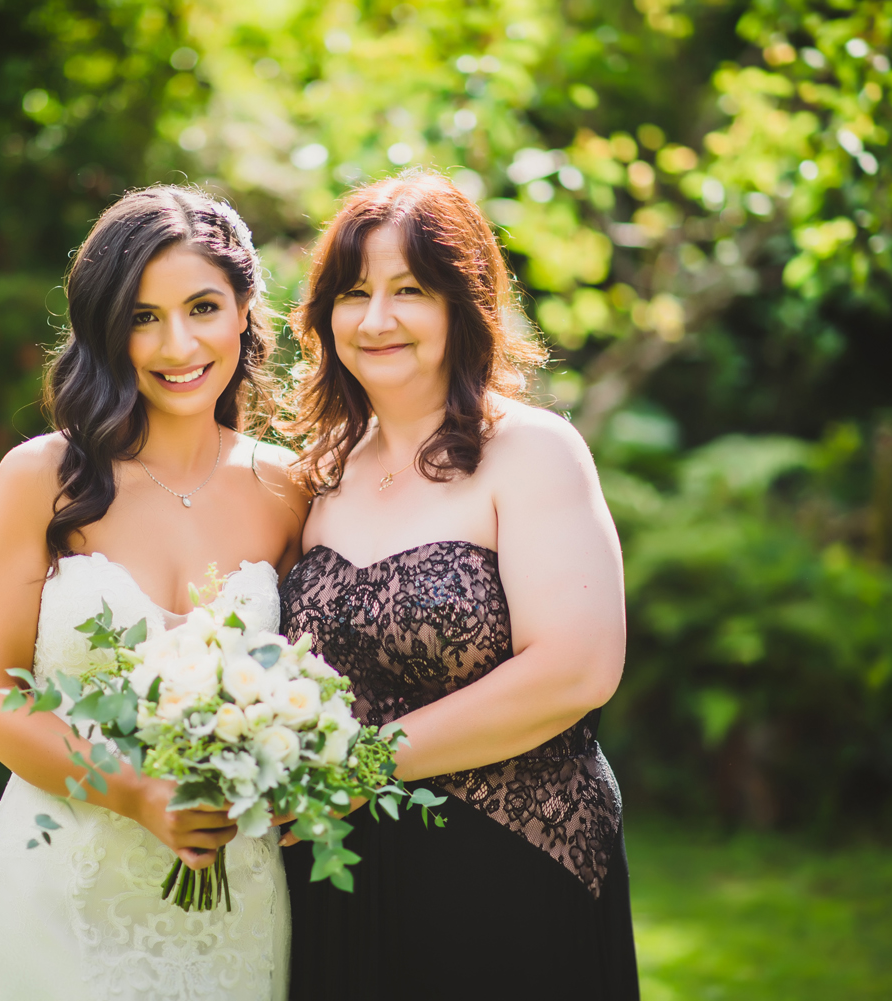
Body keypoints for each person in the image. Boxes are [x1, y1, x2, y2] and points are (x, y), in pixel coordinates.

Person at [279, 171, 640, 1000]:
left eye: (409, 290)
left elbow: (578, 670)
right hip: (345, 875)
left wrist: (364, 763)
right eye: (354, 293)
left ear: (462, 304)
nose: (376, 319)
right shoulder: (321, 474)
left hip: (508, 873)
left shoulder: (532, 451)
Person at [0, 186, 306, 1001]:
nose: (177, 344)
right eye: (144, 317)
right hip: (72, 881)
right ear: (107, 329)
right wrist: (136, 793)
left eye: (203, 307)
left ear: (245, 310)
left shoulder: (288, 488)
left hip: (238, 882)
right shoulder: (42, 477)